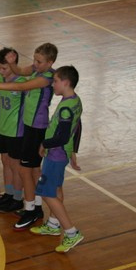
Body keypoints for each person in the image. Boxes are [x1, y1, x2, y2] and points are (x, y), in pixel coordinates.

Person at [0, 43, 57, 231]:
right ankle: (35, 207)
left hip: (36, 127)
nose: (35, 64)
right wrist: (13, 64)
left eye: (39, 61)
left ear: (50, 63)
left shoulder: (46, 78)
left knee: (25, 170)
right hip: (29, 126)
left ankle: (30, 209)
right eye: (34, 59)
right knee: (33, 170)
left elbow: (21, 86)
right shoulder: (37, 70)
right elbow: (20, 71)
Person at [29, 66, 84, 253]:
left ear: (66, 83)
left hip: (55, 154)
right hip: (62, 153)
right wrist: (73, 151)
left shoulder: (66, 108)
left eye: (56, 81)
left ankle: (71, 232)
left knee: (46, 193)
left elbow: (62, 137)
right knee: (56, 188)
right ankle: (53, 224)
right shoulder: (75, 101)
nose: (53, 84)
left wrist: (44, 143)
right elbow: (78, 126)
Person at [0, 47, 26, 211]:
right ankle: (9, 194)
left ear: (13, 65)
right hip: (2, 128)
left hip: (16, 131)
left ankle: (18, 198)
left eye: (4, 68)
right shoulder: (1, 80)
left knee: (15, 165)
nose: (1, 71)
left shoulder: (22, 82)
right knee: (5, 162)